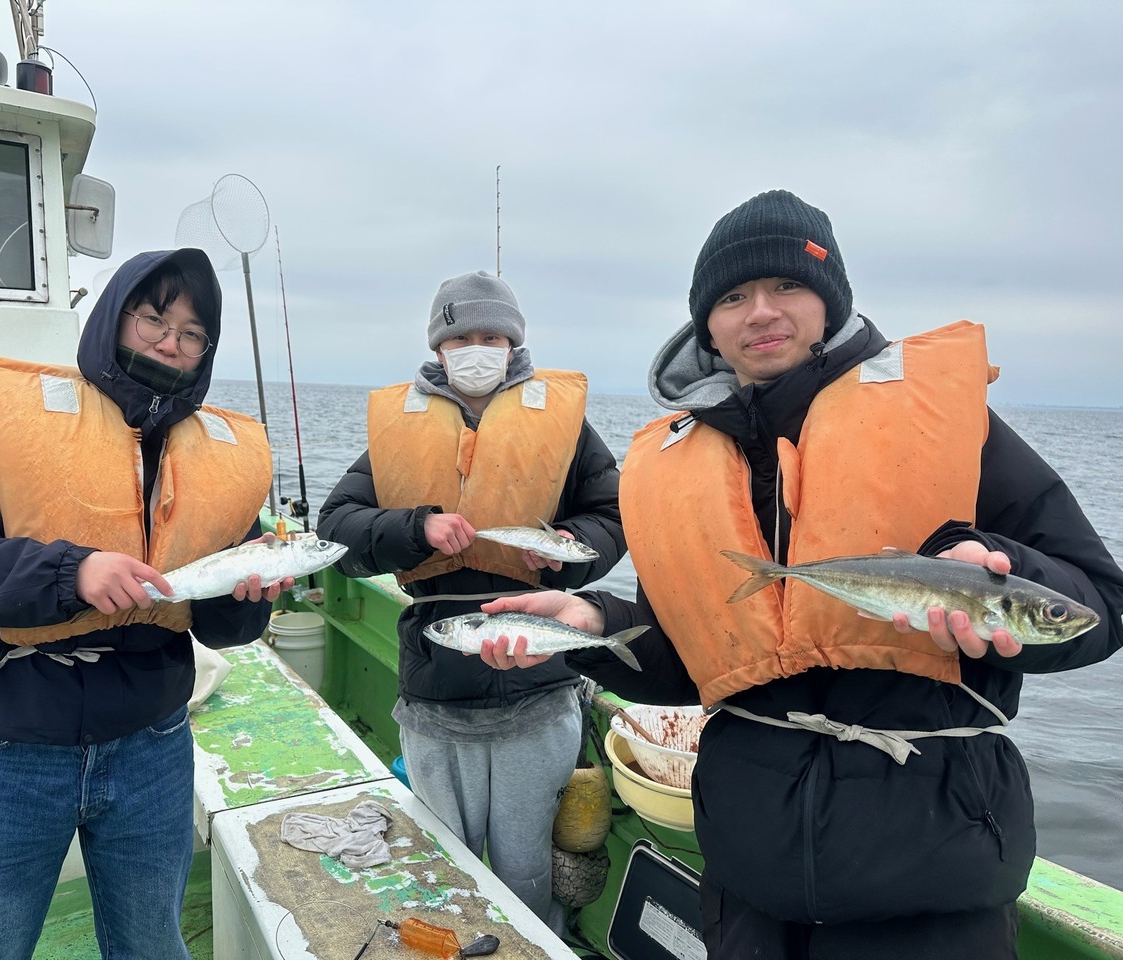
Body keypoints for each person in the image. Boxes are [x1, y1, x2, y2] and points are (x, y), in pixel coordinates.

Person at [478, 191, 1123, 959]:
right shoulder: (677, 463)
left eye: (786, 285)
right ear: (706, 323)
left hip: (934, 874)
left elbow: (1100, 605)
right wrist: (595, 625)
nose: (761, 312)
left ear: (829, 300)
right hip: (749, 880)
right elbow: (690, 663)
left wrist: (997, 577)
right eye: (732, 297)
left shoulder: (948, 426)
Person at [0, 248, 287, 960]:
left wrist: (247, 598)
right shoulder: (10, 427)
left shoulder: (216, 463)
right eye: (154, 318)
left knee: (151, 944)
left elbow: (227, 627)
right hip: (12, 743)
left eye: (193, 333)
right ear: (113, 318)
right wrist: (71, 572)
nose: (171, 342)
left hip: (154, 743)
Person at [316, 269, 626, 931]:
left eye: (493, 338)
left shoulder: (565, 427)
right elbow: (336, 526)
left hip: (538, 682)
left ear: (515, 345)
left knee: (527, 865)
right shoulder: (400, 429)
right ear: (438, 347)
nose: (477, 350)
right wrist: (414, 528)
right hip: (435, 686)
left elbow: (613, 514)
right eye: (461, 339)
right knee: (442, 864)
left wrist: (571, 547)